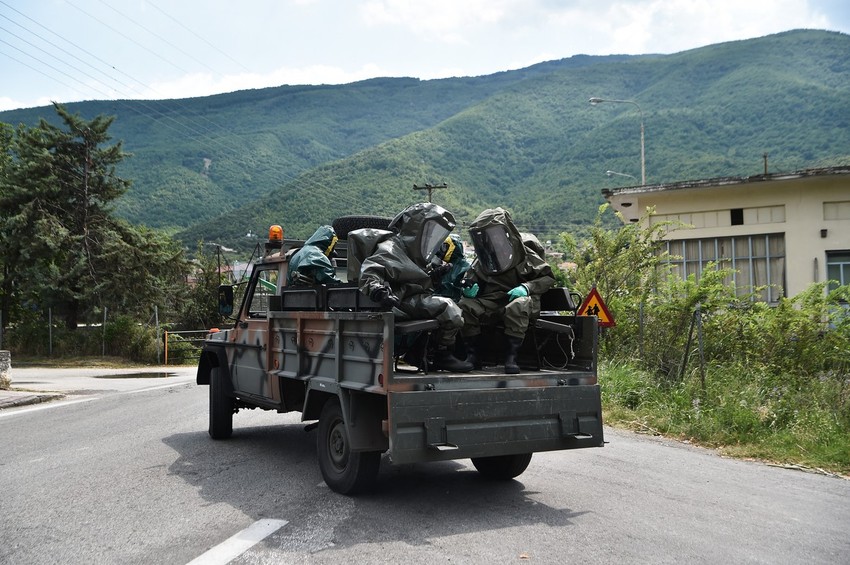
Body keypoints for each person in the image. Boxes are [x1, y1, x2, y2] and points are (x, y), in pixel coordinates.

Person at [358, 202, 473, 373]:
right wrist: (379, 291)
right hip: (400, 301)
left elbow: (416, 279)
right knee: (449, 309)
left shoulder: (414, 253)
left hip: (412, 298)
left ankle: (424, 353)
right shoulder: (390, 249)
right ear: (416, 228)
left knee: (452, 309)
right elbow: (369, 273)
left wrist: (434, 276)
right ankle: (441, 354)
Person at [459, 207, 555, 374]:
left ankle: (511, 357)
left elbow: (547, 278)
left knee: (519, 305)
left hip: (523, 300)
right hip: (494, 299)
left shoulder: (524, 254)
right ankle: (473, 356)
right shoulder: (484, 258)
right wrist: (469, 290)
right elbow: (470, 279)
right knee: (465, 305)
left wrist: (526, 287)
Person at [431, 234, 474, 302]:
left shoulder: (464, 267)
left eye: (444, 246)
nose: (440, 251)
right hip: (440, 304)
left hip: (453, 306)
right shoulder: (444, 267)